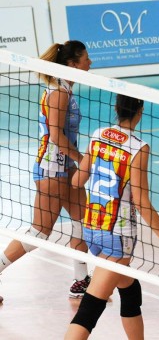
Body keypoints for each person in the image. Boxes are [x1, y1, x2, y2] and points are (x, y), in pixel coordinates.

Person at [64, 94, 159, 339]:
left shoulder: (98, 135)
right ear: (140, 110)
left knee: (130, 290)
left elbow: (76, 181)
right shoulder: (138, 148)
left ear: (116, 108)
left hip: (92, 229)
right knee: (89, 311)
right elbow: (142, 203)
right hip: (118, 236)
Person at [0, 41, 92, 300]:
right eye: (85, 58)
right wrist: (83, 159)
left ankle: (80, 280)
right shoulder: (59, 93)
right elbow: (56, 138)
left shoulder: (65, 90)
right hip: (52, 169)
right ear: (72, 64)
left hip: (66, 167)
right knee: (40, 232)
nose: (90, 62)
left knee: (81, 221)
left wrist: (76, 162)